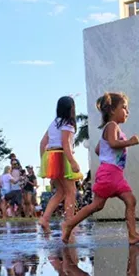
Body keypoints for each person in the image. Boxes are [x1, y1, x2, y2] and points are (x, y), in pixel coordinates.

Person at [61, 93, 139, 244]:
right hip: (110, 173)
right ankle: (69, 224)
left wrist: (111, 151)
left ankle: (132, 235)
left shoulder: (113, 128)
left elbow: (98, 149)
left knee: (127, 201)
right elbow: (112, 144)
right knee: (102, 205)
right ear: (112, 111)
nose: (127, 111)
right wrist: (130, 142)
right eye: (123, 108)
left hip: (114, 173)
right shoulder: (112, 126)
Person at [39, 96, 82, 233]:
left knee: (61, 192)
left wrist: (44, 162)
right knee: (71, 191)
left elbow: (42, 143)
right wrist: (72, 161)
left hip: (51, 157)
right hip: (62, 156)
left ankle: (45, 219)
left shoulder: (54, 123)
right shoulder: (67, 124)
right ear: (71, 108)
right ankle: (69, 223)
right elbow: (65, 144)